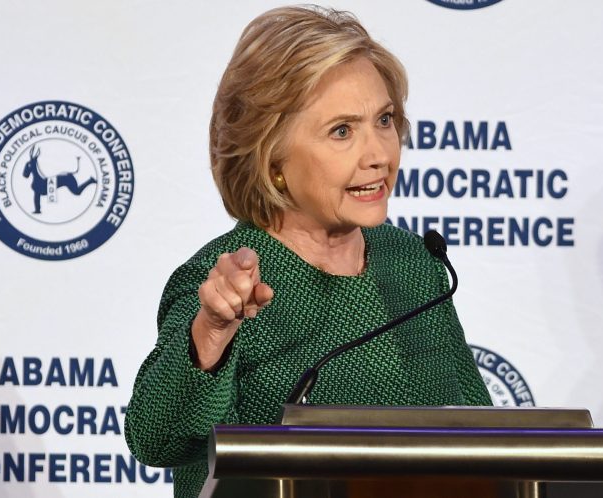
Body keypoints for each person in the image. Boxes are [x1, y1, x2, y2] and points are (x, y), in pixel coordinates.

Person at [124, 6, 491, 498]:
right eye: (342, 131)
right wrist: (211, 332)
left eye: (384, 120)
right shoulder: (223, 285)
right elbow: (157, 439)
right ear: (272, 155)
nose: (379, 155)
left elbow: (478, 433)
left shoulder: (410, 262)